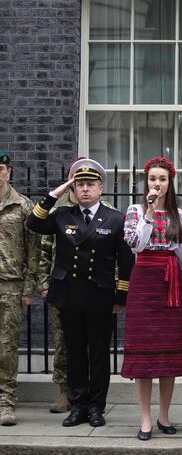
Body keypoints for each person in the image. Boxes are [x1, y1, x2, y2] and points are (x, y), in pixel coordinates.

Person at [26, 158, 134, 428]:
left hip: (100, 296)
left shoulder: (115, 219)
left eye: (91, 184)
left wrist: (121, 297)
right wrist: (56, 193)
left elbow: (127, 262)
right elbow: (33, 222)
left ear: (100, 189)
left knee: (99, 355)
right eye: (80, 184)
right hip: (69, 295)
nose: (85, 189)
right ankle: (77, 406)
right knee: (74, 353)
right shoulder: (63, 215)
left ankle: (96, 407)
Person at [120, 157, 182, 440]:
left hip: (171, 285)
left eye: (162, 179)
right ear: (146, 182)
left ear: (169, 183)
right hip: (144, 283)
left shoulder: (179, 215)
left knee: (169, 354)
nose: (157, 183)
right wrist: (149, 213)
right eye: (153, 178)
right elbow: (135, 244)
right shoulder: (134, 211)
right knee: (143, 356)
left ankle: (164, 415)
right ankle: (145, 419)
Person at [37, 157, 88, 414]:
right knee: (63, 344)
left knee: (90, 344)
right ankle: (63, 392)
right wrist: (44, 284)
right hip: (63, 288)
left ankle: (87, 394)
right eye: (76, 177)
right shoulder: (59, 212)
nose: (83, 183)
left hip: (91, 290)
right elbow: (44, 251)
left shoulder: (106, 210)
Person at [0, 151, 40, 426]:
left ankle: (6, 402)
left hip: (10, 285)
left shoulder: (23, 206)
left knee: (6, 347)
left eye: (0, 168)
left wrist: (29, 288)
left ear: (9, 172)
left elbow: (33, 251)